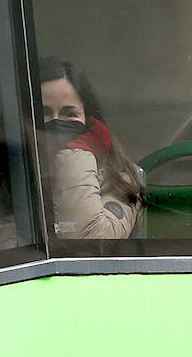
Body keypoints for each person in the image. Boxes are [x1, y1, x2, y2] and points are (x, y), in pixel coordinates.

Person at [38, 58, 143, 239]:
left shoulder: (117, 179)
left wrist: (75, 153)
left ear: (88, 119)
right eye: (43, 113)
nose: (56, 122)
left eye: (69, 114)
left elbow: (89, 242)